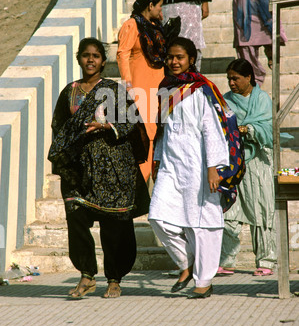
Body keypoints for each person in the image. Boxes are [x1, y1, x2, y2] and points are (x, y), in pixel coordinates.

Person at [48, 37, 150, 299]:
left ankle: (114, 278)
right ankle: (87, 275)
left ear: (103, 62)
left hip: (114, 168)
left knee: (114, 223)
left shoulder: (113, 90)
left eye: (95, 55)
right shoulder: (69, 92)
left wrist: (107, 126)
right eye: (85, 55)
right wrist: (64, 159)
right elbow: (59, 127)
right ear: (78, 59)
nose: (90, 60)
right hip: (79, 169)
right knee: (77, 218)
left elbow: (131, 121)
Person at [148, 37, 245, 298]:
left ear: (191, 59)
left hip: (200, 165)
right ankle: (186, 263)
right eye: (170, 57)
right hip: (171, 163)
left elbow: (213, 130)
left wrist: (214, 167)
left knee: (203, 224)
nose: (173, 61)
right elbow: (163, 130)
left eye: (179, 57)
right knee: (157, 217)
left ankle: (204, 281)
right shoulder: (165, 88)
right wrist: (157, 161)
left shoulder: (203, 89)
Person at [218, 58, 276, 276]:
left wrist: (249, 129)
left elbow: (269, 128)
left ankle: (266, 261)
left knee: (260, 211)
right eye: (229, 79)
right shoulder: (224, 101)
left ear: (249, 77)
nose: (232, 83)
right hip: (233, 162)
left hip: (257, 162)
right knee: (229, 212)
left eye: (236, 78)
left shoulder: (262, 99)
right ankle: (227, 260)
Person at [117, 0, 167, 183]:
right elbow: (122, 54)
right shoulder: (132, 25)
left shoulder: (154, 27)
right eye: (160, 5)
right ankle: (138, 183)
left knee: (155, 133)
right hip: (139, 88)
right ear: (150, 5)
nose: (161, 9)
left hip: (157, 88)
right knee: (143, 134)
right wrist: (128, 85)